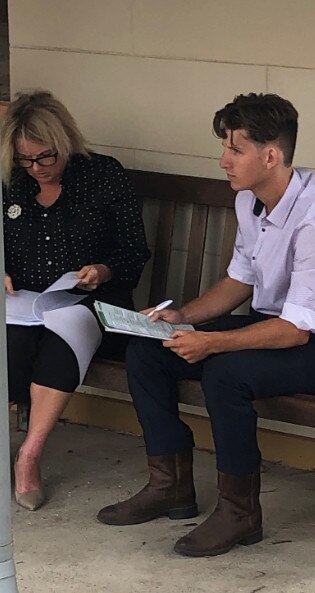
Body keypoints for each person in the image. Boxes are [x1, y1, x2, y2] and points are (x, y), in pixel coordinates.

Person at [97, 93, 315, 556]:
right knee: (148, 349)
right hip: (269, 328)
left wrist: (214, 342)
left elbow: (297, 329)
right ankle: (170, 486)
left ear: (271, 155)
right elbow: (240, 279)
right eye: (224, 146)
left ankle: (239, 513)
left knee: (225, 371)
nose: (223, 160)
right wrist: (180, 318)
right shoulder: (252, 201)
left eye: (235, 149)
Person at [2, 90, 150, 511]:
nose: (36, 169)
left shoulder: (103, 176)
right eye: (24, 160)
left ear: (65, 141)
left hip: (92, 302)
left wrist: (102, 271)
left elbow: (134, 250)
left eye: (45, 158)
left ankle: (29, 454)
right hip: (26, 301)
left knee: (63, 338)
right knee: (12, 346)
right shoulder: (9, 181)